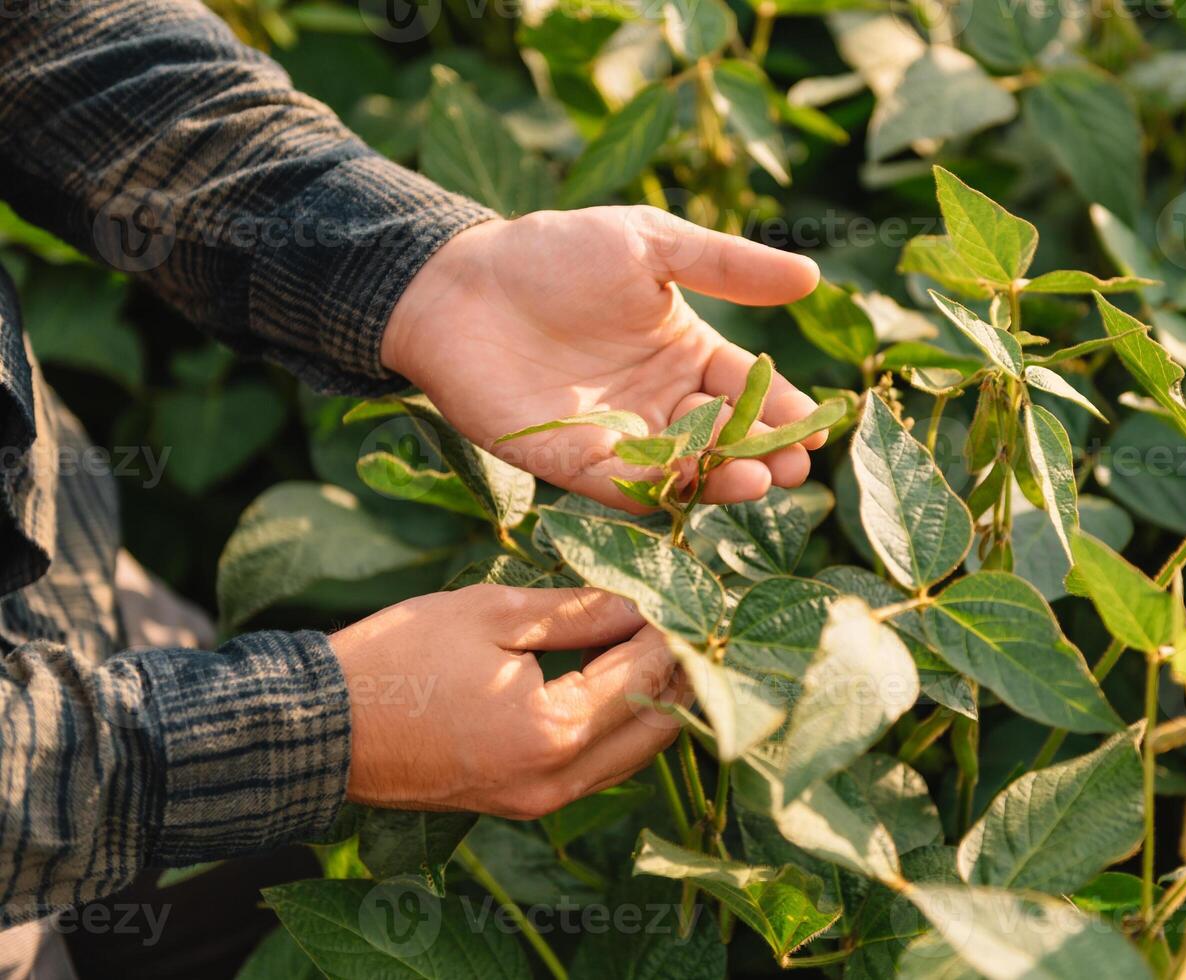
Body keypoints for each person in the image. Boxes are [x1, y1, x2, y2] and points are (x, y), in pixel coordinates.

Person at [0, 0, 823, 971]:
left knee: (260, 886)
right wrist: (319, 726)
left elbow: (47, 36)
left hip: (66, 577)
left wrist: (431, 272)